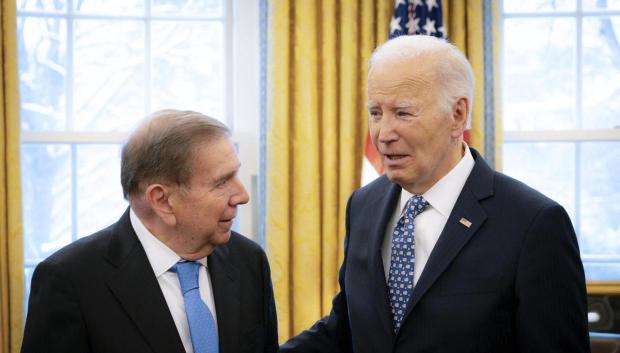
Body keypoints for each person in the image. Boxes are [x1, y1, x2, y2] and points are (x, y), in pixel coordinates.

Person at [280, 35, 590, 353]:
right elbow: (345, 329)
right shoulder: (363, 205)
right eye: (375, 113)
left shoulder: (534, 224)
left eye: (403, 113)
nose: (383, 135)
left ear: (457, 115)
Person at [21, 110, 278, 353]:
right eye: (222, 182)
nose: (242, 196)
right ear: (162, 200)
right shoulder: (69, 280)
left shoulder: (249, 261)